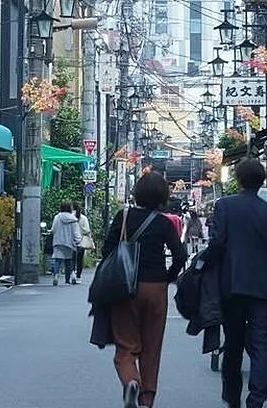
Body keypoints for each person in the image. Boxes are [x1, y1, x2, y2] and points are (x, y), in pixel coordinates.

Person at [100, 173, 186, 408]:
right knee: (152, 346)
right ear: (162, 196)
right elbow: (180, 255)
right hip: (156, 287)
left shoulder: (124, 217)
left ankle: (130, 381)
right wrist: (168, 277)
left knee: (126, 345)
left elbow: (107, 250)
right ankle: (147, 399)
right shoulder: (164, 223)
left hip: (125, 287)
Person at [210, 158, 267, 408]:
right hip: (264, 289)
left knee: (232, 343)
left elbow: (217, 244)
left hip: (232, 285)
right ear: (262, 181)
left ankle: (232, 397)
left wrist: (205, 270)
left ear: (239, 180)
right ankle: (256, 400)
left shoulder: (225, 206)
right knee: (261, 344)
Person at [51, 202, 82, 286]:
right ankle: (69, 279)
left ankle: (56, 276)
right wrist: (78, 241)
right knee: (68, 261)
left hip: (58, 241)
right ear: (70, 208)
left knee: (58, 260)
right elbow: (76, 232)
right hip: (69, 243)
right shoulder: (73, 219)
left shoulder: (57, 217)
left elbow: (53, 229)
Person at [75, 203, 96, 282]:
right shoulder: (83, 218)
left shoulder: (70, 217)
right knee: (79, 260)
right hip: (81, 241)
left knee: (71, 259)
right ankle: (78, 277)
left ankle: (72, 274)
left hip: (72, 241)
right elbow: (87, 230)